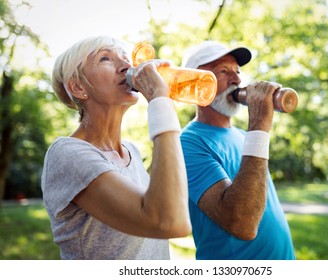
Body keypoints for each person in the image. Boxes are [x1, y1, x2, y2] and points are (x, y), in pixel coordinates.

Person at [41, 36, 191, 260]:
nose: (127, 66)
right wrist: (160, 101)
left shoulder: (132, 151)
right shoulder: (67, 154)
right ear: (78, 87)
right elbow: (169, 221)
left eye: (125, 58)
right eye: (105, 58)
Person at [180, 41, 295, 260]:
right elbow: (243, 223)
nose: (237, 80)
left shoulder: (246, 136)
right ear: (194, 85)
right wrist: (260, 124)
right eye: (223, 71)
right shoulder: (188, 142)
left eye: (238, 71)